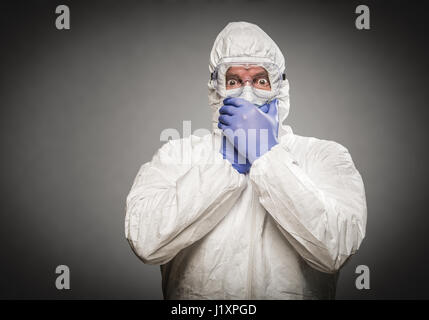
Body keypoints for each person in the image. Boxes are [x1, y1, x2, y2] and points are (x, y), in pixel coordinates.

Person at [125, 21, 367, 299]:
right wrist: (224, 169)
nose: (247, 93)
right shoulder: (177, 156)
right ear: (216, 90)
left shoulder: (324, 157)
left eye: (260, 80)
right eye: (234, 81)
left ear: (280, 88)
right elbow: (145, 242)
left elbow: (334, 250)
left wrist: (268, 158)